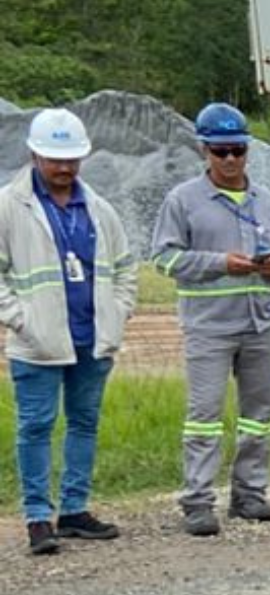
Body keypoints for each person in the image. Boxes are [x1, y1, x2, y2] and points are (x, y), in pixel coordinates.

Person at [151, 103, 270, 538]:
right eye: (220, 152)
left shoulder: (266, 200)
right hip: (210, 327)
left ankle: (249, 492)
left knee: (257, 415)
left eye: (237, 150)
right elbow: (164, 258)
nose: (230, 160)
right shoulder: (183, 200)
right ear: (204, 151)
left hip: (261, 322)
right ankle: (198, 501)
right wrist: (219, 263)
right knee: (204, 416)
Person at [2, 108, 136, 557]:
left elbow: (124, 268)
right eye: (55, 159)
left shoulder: (99, 209)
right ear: (34, 155)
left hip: (91, 336)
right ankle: (38, 518)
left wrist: (118, 313)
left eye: (72, 159)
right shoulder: (8, 206)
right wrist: (20, 319)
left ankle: (75, 509)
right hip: (37, 343)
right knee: (35, 426)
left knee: (84, 423)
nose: (64, 168)